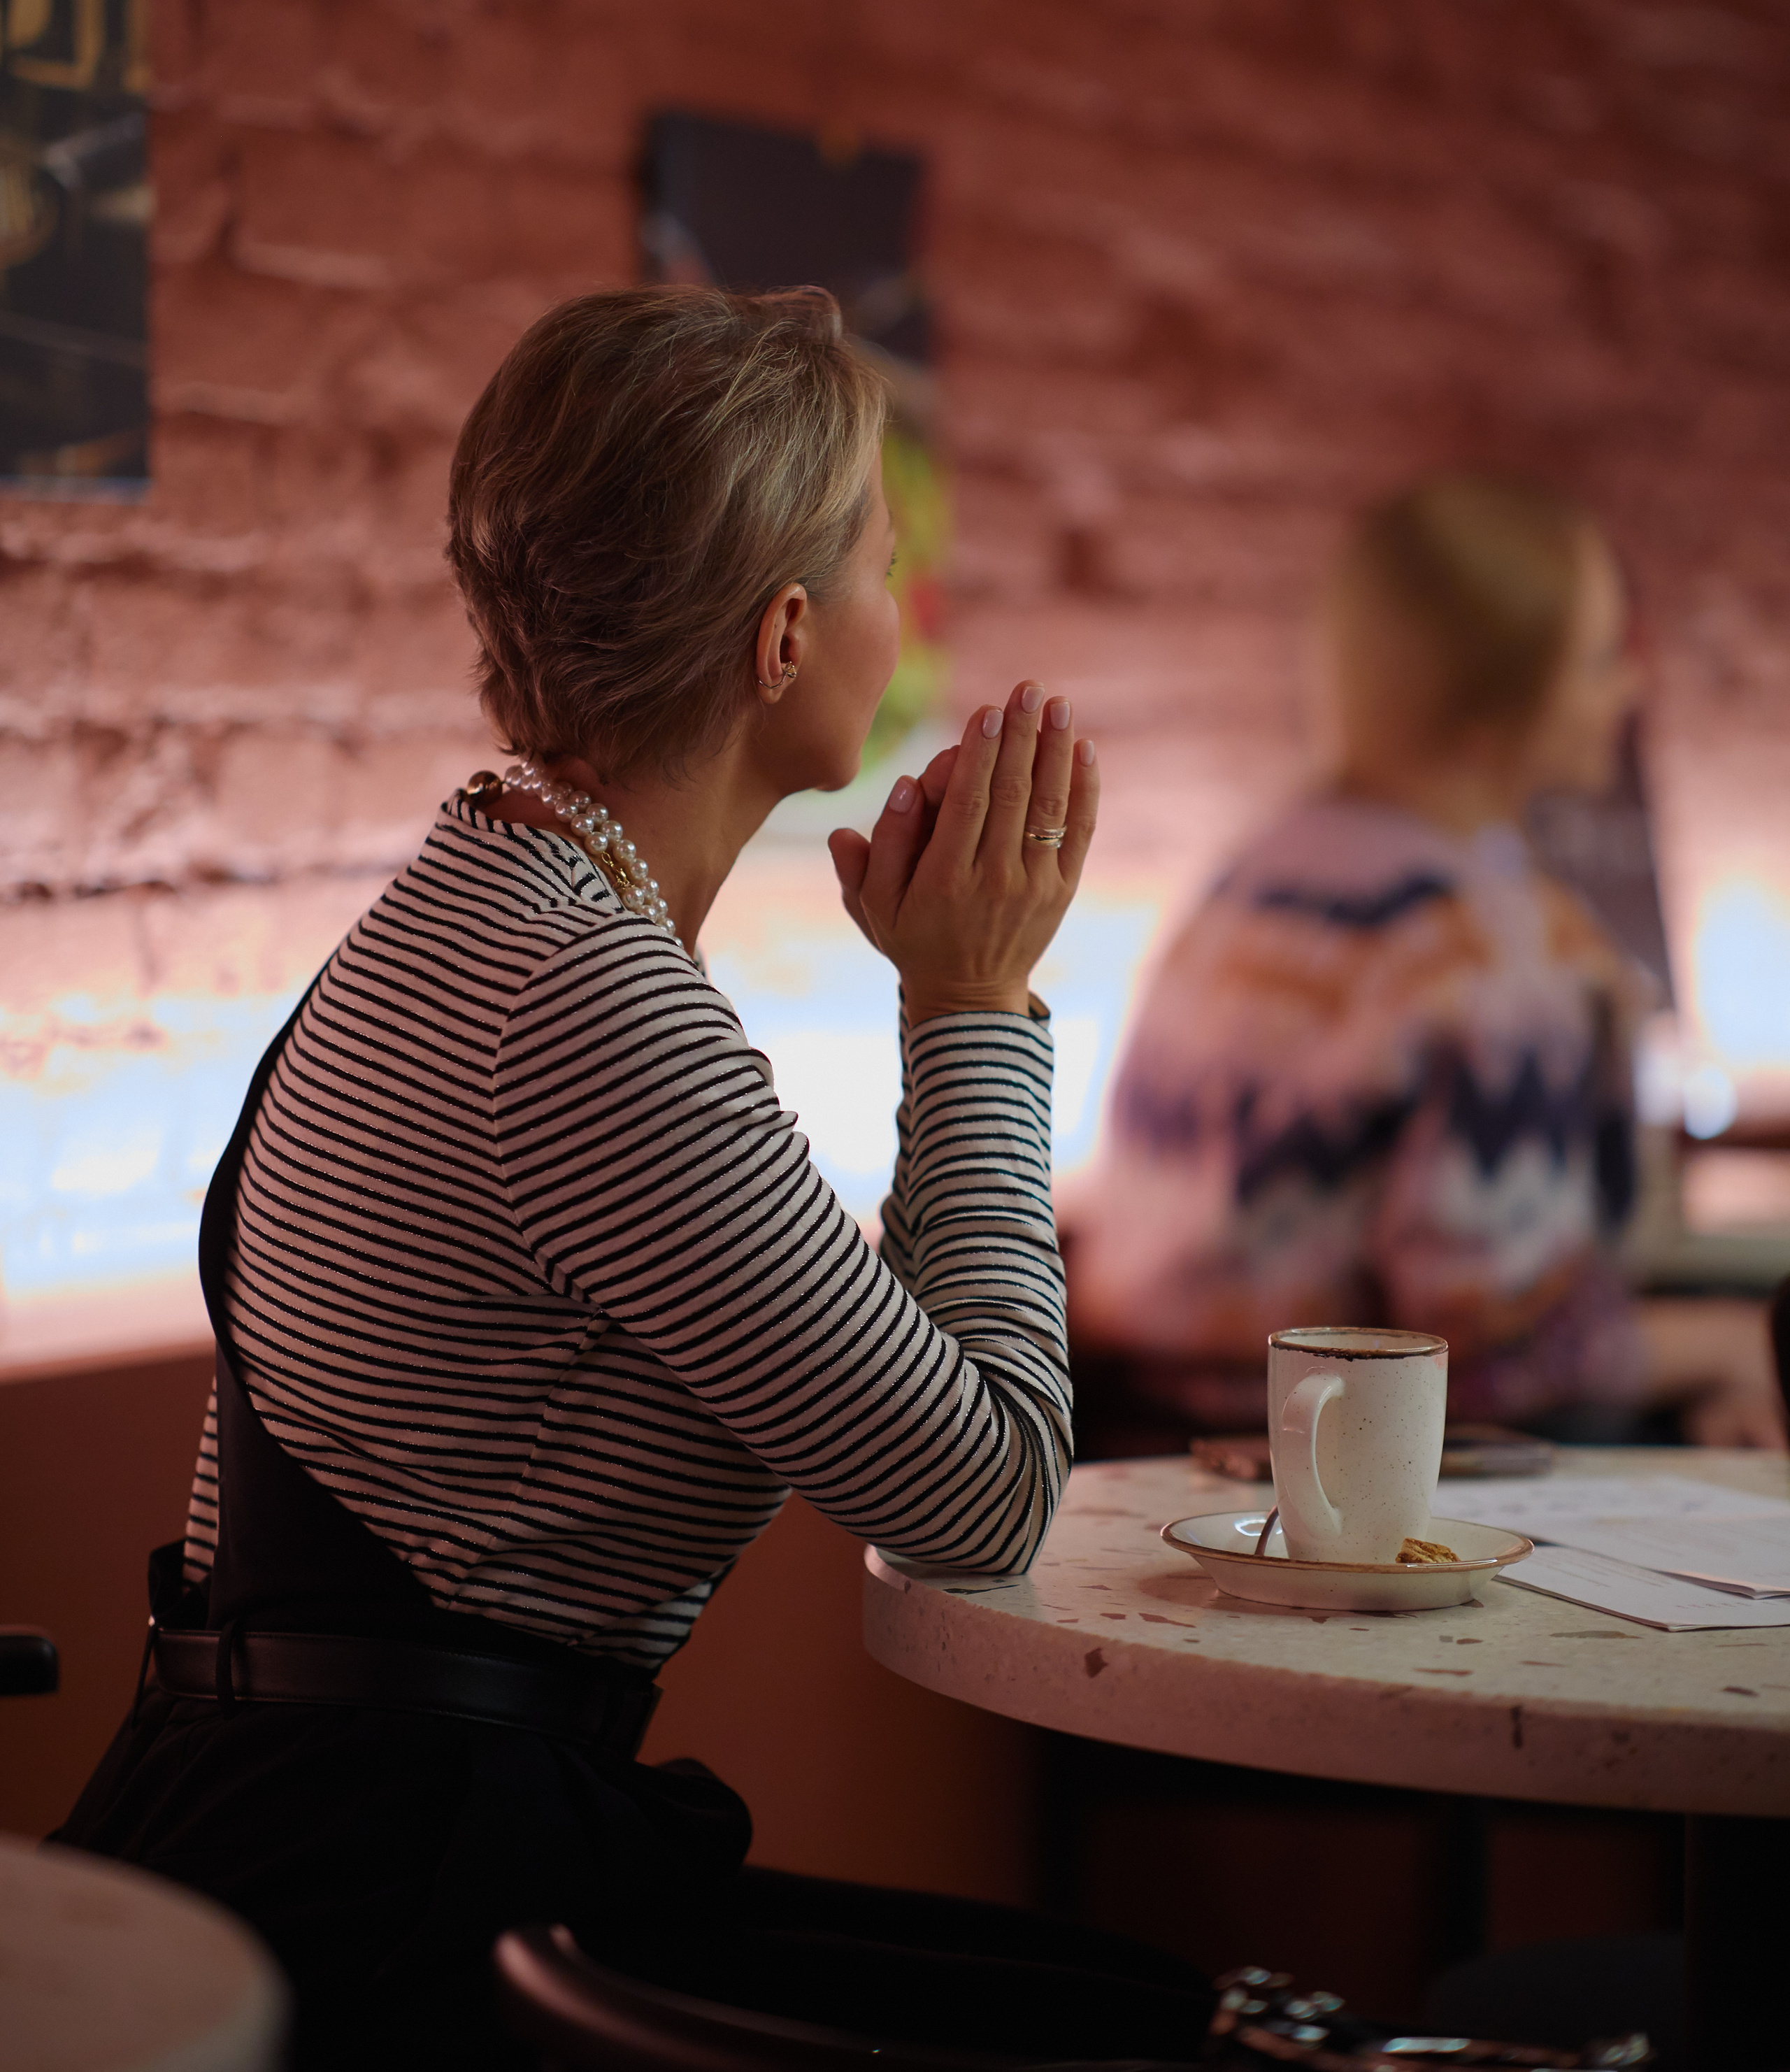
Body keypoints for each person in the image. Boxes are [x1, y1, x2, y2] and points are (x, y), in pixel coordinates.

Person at [53, 287, 1214, 2069]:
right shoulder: (581, 1007)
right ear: (781, 639)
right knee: (1177, 2036)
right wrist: (971, 1006)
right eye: (883, 565)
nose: (904, 615)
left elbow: (897, 1394)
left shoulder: (483, 896)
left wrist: (945, 1007)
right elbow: (983, 1496)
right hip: (394, 1903)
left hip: (319, 1826)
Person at [1068, 472, 1784, 1454]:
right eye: (1601, 659)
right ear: (1495, 711)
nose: (1634, 687)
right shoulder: (1491, 948)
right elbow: (1496, 1357)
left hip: (1136, 1444)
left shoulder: (1255, 877)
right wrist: (1730, 1349)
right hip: (1330, 1473)